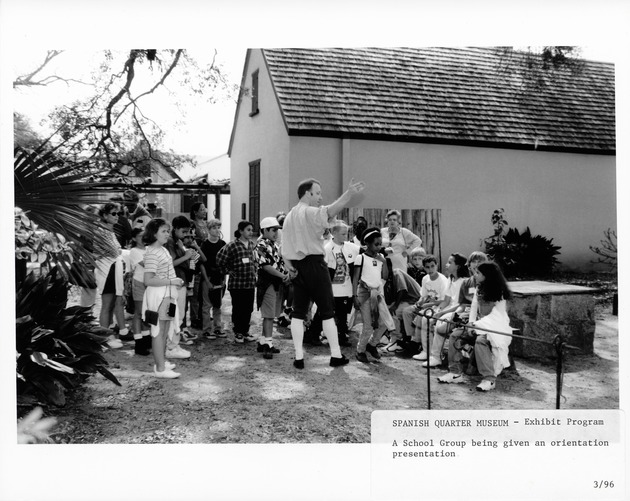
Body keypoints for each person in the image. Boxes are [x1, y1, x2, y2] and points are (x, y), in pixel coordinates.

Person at [281, 177, 366, 369]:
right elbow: (330, 210)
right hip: (316, 265)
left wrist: (289, 266)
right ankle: (335, 355)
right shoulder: (310, 212)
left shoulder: (289, 216)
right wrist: (349, 193)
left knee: (298, 313)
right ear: (307, 194)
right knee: (328, 311)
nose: (320, 197)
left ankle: (298, 357)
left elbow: (284, 247)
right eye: (317, 193)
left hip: (298, 266)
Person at [438, 261, 513, 391]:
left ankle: (489, 379)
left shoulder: (499, 292)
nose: (475, 275)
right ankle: (455, 372)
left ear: (487, 275)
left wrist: (477, 325)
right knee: (455, 335)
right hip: (478, 324)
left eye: (478, 273)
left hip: (494, 326)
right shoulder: (479, 288)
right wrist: (471, 323)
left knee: (481, 340)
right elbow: (473, 307)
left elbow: (498, 315)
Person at [142, 218, 186, 378]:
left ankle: (162, 361)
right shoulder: (153, 252)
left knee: (165, 330)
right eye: (163, 231)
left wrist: (175, 282)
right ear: (154, 233)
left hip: (168, 295)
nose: (167, 234)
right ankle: (160, 368)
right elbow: (148, 280)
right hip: (159, 296)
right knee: (158, 332)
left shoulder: (163, 249)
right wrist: (171, 281)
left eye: (168, 231)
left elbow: (168, 272)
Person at [414, 252, 469, 367]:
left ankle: (436, 357)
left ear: (458, 266)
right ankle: (427, 352)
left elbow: (460, 304)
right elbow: (446, 301)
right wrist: (439, 310)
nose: (446, 264)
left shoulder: (464, 281)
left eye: (450, 262)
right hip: (449, 308)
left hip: (458, 310)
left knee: (439, 324)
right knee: (427, 318)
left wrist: (442, 313)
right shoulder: (451, 279)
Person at [351, 227, 395, 363]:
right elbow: (355, 278)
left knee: (383, 323)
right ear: (368, 244)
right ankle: (360, 350)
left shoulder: (380, 258)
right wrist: (355, 297)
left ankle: (372, 344)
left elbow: (385, 276)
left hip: (377, 294)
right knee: (368, 325)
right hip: (364, 293)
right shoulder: (361, 258)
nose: (379, 247)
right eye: (376, 244)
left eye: (380, 244)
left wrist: (384, 262)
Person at [254, 216, 291, 358]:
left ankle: (263, 341)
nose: (276, 233)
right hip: (267, 283)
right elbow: (266, 267)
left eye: (277, 230)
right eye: (273, 230)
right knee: (269, 316)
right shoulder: (261, 245)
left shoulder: (273, 245)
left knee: (270, 314)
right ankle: (268, 344)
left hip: (275, 282)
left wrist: (287, 273)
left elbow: (280, 263)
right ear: (265, 230)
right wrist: (283, 276)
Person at [93, 202, 128, 349]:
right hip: (107, 270)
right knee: (107, 304)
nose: (117, 217)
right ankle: (105, 336)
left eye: (118, 214)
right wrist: (119, 253)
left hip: (113, 269)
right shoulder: (101, 231)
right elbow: (115, 251)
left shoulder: (109, 230)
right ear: (105, 215)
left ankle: (108, 334)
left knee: (112, 302)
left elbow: (117, 251)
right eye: (113, 214)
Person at [216, 221, 257, 344]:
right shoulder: (232, 245)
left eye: (251, 230)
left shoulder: (251, 244)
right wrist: (227, 271)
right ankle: (238, 332)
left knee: (248, 308)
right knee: (238, 308)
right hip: (237, 284)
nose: (251, 232)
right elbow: (219, 259)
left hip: (249, 284)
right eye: (248, 230)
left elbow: (254, 260)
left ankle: (245, 331)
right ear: (240, 231)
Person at [400, 254, 449, 357]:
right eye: (427, 267)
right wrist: (420, 302)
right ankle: (412, 339)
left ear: (437, 265)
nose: (430, 269)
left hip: (437, 305)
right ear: (424, 267)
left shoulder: (442, 280)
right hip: (427, 303)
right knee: (407, 311)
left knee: (421, 315)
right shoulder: (425, 278)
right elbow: (423, 295)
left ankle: (417, 343)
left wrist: (426, 305)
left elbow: (442, 301)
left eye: (432, 266)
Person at [163, 216, 194, 357]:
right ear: (175, 229)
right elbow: (170, 263)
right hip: (174, 282)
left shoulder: (177, 241)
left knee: (178, 315)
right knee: (175, 315)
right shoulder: (170, 242)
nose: (186, 234)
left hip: (180, 281)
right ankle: (171, 347)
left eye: (188, 231)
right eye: (183, 231)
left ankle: (173, 344)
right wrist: (187, 256)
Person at [381, 267, 422, 353]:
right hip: (407, 300)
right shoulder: (388, 279)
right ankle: (390, 338)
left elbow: (402, 290)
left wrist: (395, 306)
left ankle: (396, 340)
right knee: (387, 310)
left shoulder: (396, 272)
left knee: (395, 311)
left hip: (415, 299)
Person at [200, 219, 227, 340]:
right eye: (214, 228)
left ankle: (218, 328)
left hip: (219, 277)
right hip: (208, 276)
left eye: (218, 227)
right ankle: (206, 329)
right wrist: (206, 280)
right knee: (207, 305)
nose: (217, 230)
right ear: (208, 230)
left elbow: (226, 263)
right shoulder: (204, 245)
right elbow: (202, 264)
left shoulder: (223, 244)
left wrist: (224, 280)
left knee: (217, 305)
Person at [129, 228, 152, 356]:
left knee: (147, 313)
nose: (143, 238)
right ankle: (138, 342)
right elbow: (146, 264)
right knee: (139, 313)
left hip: (150, 283)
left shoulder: (148, 249)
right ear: (134, 239)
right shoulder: (134, 251)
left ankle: (146, 338)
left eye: (144, 236)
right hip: (139, 283)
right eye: (139, 236)